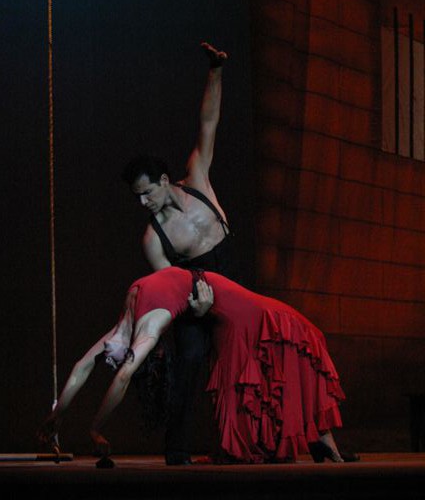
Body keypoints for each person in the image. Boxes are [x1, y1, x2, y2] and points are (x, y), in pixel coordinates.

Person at [38, 267, 352, 464]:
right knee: (256, 377)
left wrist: (96, 429)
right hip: (221, 306)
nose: (112, 357)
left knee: (269, 360)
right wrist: (55, 417)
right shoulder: (125, 319)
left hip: (234, 308)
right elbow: (82, 367)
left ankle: (322, 438)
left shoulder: (149, 327)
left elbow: (122, 377)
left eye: (118, 358)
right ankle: (322, 440)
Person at [120, 42, 238, 465]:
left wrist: (215, 71)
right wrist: (198, 309)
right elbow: (169, 291)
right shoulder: (153, 240)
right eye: (137, 198)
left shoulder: (198, 181)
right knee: (190, 359)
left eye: (147, 193)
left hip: (229, 272)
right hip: (191, 290)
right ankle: (177, 449)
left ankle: (292, 442)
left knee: (252, 350)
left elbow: (209, 121)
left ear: (165, 180)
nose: (143, 203)